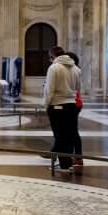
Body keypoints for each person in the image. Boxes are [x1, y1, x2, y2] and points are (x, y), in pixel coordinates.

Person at [43, 46, 82, 174]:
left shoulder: (54, 68)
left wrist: (46, 104)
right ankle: (68, 163)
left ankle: (64, 165)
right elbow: (78, 88)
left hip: (57, 105)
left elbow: (49, 89)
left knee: (59, 136)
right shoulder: (76, 69)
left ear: (53, 56)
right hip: (71, 105)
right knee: (69, 135)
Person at [66, 52, 84, 173]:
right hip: (75, 102)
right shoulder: (75, 70)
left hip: (74, 102)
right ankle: (76, 156)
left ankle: (77, 157)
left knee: (72, 131)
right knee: (72, 131)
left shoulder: (74, 70)